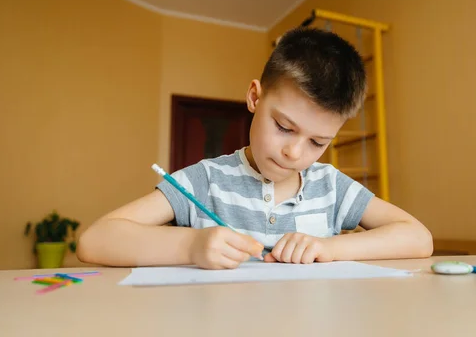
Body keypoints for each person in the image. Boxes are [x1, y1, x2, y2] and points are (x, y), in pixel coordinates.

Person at [77, 28, 433, 270]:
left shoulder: (332, 187)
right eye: (283, 127)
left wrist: (330, 248)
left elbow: (418, 239)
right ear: (254, 97)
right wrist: (190, 246)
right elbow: (94, 241)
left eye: (317, 142)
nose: (295, 152)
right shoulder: (205, 181)